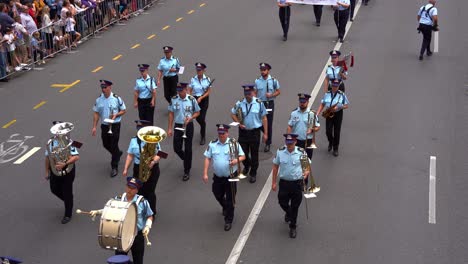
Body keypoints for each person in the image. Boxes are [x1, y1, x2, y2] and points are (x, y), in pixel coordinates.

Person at [90, 177, 153, 264]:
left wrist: (147, 226)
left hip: (137, 236)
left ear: (137, 190)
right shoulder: (119, 198)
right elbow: (110, 209)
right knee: (119, 261)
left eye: (132, 188)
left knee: (138, 260)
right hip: (121, 235)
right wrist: (98, 212)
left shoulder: (143, 202)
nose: (129, 190)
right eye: (128, 186)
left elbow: (150, 215)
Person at [203, 124, 246, 231]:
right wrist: (205, 173)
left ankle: (228, 220)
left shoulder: (233, 143)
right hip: (218, 176)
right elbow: (208, 158)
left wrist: (236, 160)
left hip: (231, 176)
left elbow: (243, 156)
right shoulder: (213, 144)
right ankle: (225, 206)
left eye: (223, 133)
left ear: (227, 133)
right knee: (217, 193)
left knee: (230, 199)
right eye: (220, 133)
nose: (221, 135)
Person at [271, 133, 309, 238]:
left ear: (295, 142)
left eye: (291, 143)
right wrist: (273, 182)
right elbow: (275, 167)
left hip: (297, 183)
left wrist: (305, 174)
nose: (289, 145)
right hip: (284, 183)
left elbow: (306, 167)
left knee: (295, 206)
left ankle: (293, 227)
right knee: (282, 201)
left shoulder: (301, 152)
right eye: (288, 143)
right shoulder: (280, 151)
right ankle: (289, 213)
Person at [123, 120, 162, 216]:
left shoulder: (153, 139)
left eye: (141, 128)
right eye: (138, 128)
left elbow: (160, 154)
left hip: (152, 168)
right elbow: (130, 155)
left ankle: (151, 213)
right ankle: (140, 211)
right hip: (138, 168)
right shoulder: (133, 140)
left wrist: (153, 162)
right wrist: (125, 168)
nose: (139, 130)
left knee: (150, 191)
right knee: (139, 191)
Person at [230, 84, 268, 183]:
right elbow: (232, 114)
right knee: (242, 152)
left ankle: (253, 173)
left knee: (254, 153)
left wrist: (265, 133)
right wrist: (239, 122)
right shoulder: (240, 103)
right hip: (243, 132)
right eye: (245, 93)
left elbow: (264, 118)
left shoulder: (259, 103)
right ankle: (247, 166)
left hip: (254, 132)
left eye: (249, 93)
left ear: (253, 92)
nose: (247, 95)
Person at [45, 121, 80, 224]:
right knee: (54, 189)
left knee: (67, 191)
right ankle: (69, 201)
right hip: (55, 169)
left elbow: (76, 157)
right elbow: (47, 157)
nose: (57, 133)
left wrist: (65, 164)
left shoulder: (70, 142)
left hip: (67, 170)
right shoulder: (50, 143)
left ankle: (68, 214)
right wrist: (46, 171)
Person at [92, 80, 127, 177]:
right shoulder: (99, 99)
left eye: (105, 87)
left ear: (110, 87)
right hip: (105, 125)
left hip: (115, 125)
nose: (103, 89)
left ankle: (114, 167)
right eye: (102, 88)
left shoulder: (116, 98)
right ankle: (117, 154)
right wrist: (94, 127)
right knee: (105, 144)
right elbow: (96, 113)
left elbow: (124, 110)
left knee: (114, 144)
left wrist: (116, 114)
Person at [167, 83, 200, 181]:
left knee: (188, 148)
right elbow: (171, 114)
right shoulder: (174, 99)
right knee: (176, 148)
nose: (179, 92)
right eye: (178, 90)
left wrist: (191, 118)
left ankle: (187, 170)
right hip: (178, 125)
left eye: (181, 90)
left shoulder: (191, 100)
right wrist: (169, 128)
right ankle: (186, 159)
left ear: (186, 89)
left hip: (188, 125)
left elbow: (197, 112)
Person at [317, 80, 349, 157]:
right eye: (333, 86)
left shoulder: (342, 95)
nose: (335, 87)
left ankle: (335, 148)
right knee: (328, 131)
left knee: (337, 132)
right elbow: (322, 104)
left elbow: (346, 105)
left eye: (336, 86)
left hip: (338, 114)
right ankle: (331, 142)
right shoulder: (327, 94)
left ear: (338, 86)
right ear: (331, 86)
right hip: (329, 113)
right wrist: (317, 113)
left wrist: (339, 107)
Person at [254, 62, 280, 152]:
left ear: (268, 70)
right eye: (261, 70)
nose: (262, 72)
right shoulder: (257, 80)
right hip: (260, 103)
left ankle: (268, 143)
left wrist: (272, 94)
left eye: (264, 70)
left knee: (268, 123)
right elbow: (255, 92)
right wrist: (254, 100)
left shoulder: (273, 81)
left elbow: (278, 91)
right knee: (258, 122)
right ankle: (265, 134)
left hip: (269, 103)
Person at [287, 93, 320, 159]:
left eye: (304, 102)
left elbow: (318, 127)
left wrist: (312, 129)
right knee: (295, 161)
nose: (302, 103)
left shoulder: (312, 114)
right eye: (301, 102)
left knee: (306, 164)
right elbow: (289, 126)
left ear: (307, 102)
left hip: (308, 142)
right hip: (296, 141)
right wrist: (288, 139)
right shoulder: (294, 113)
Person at [188, 62, 212, 145]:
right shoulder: (193, 79)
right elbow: (189, 90)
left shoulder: (207, 79)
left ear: (203, 70)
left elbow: (208, 91)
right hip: (195, 99)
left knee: (201, 118)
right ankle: (203, 125)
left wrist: (201, 97)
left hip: (204, 100)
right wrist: (190, 98)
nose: (198, 71)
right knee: (197, 117)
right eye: (197, 70)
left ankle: (203, 136)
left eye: (200, 70)